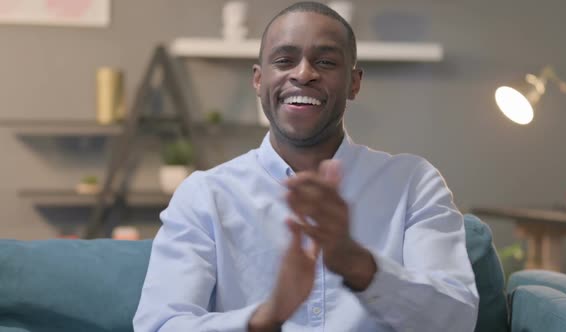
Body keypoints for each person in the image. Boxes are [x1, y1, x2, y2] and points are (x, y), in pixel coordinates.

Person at [133, 2, 479, 331]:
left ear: (354, 83)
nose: (303, 74)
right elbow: (161, 324)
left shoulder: (413, 183)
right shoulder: (204, 195)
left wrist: (357, 264)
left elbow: (457, 319)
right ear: (257, 80)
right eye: (284, 60)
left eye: (326, 62)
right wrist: (267, 316)